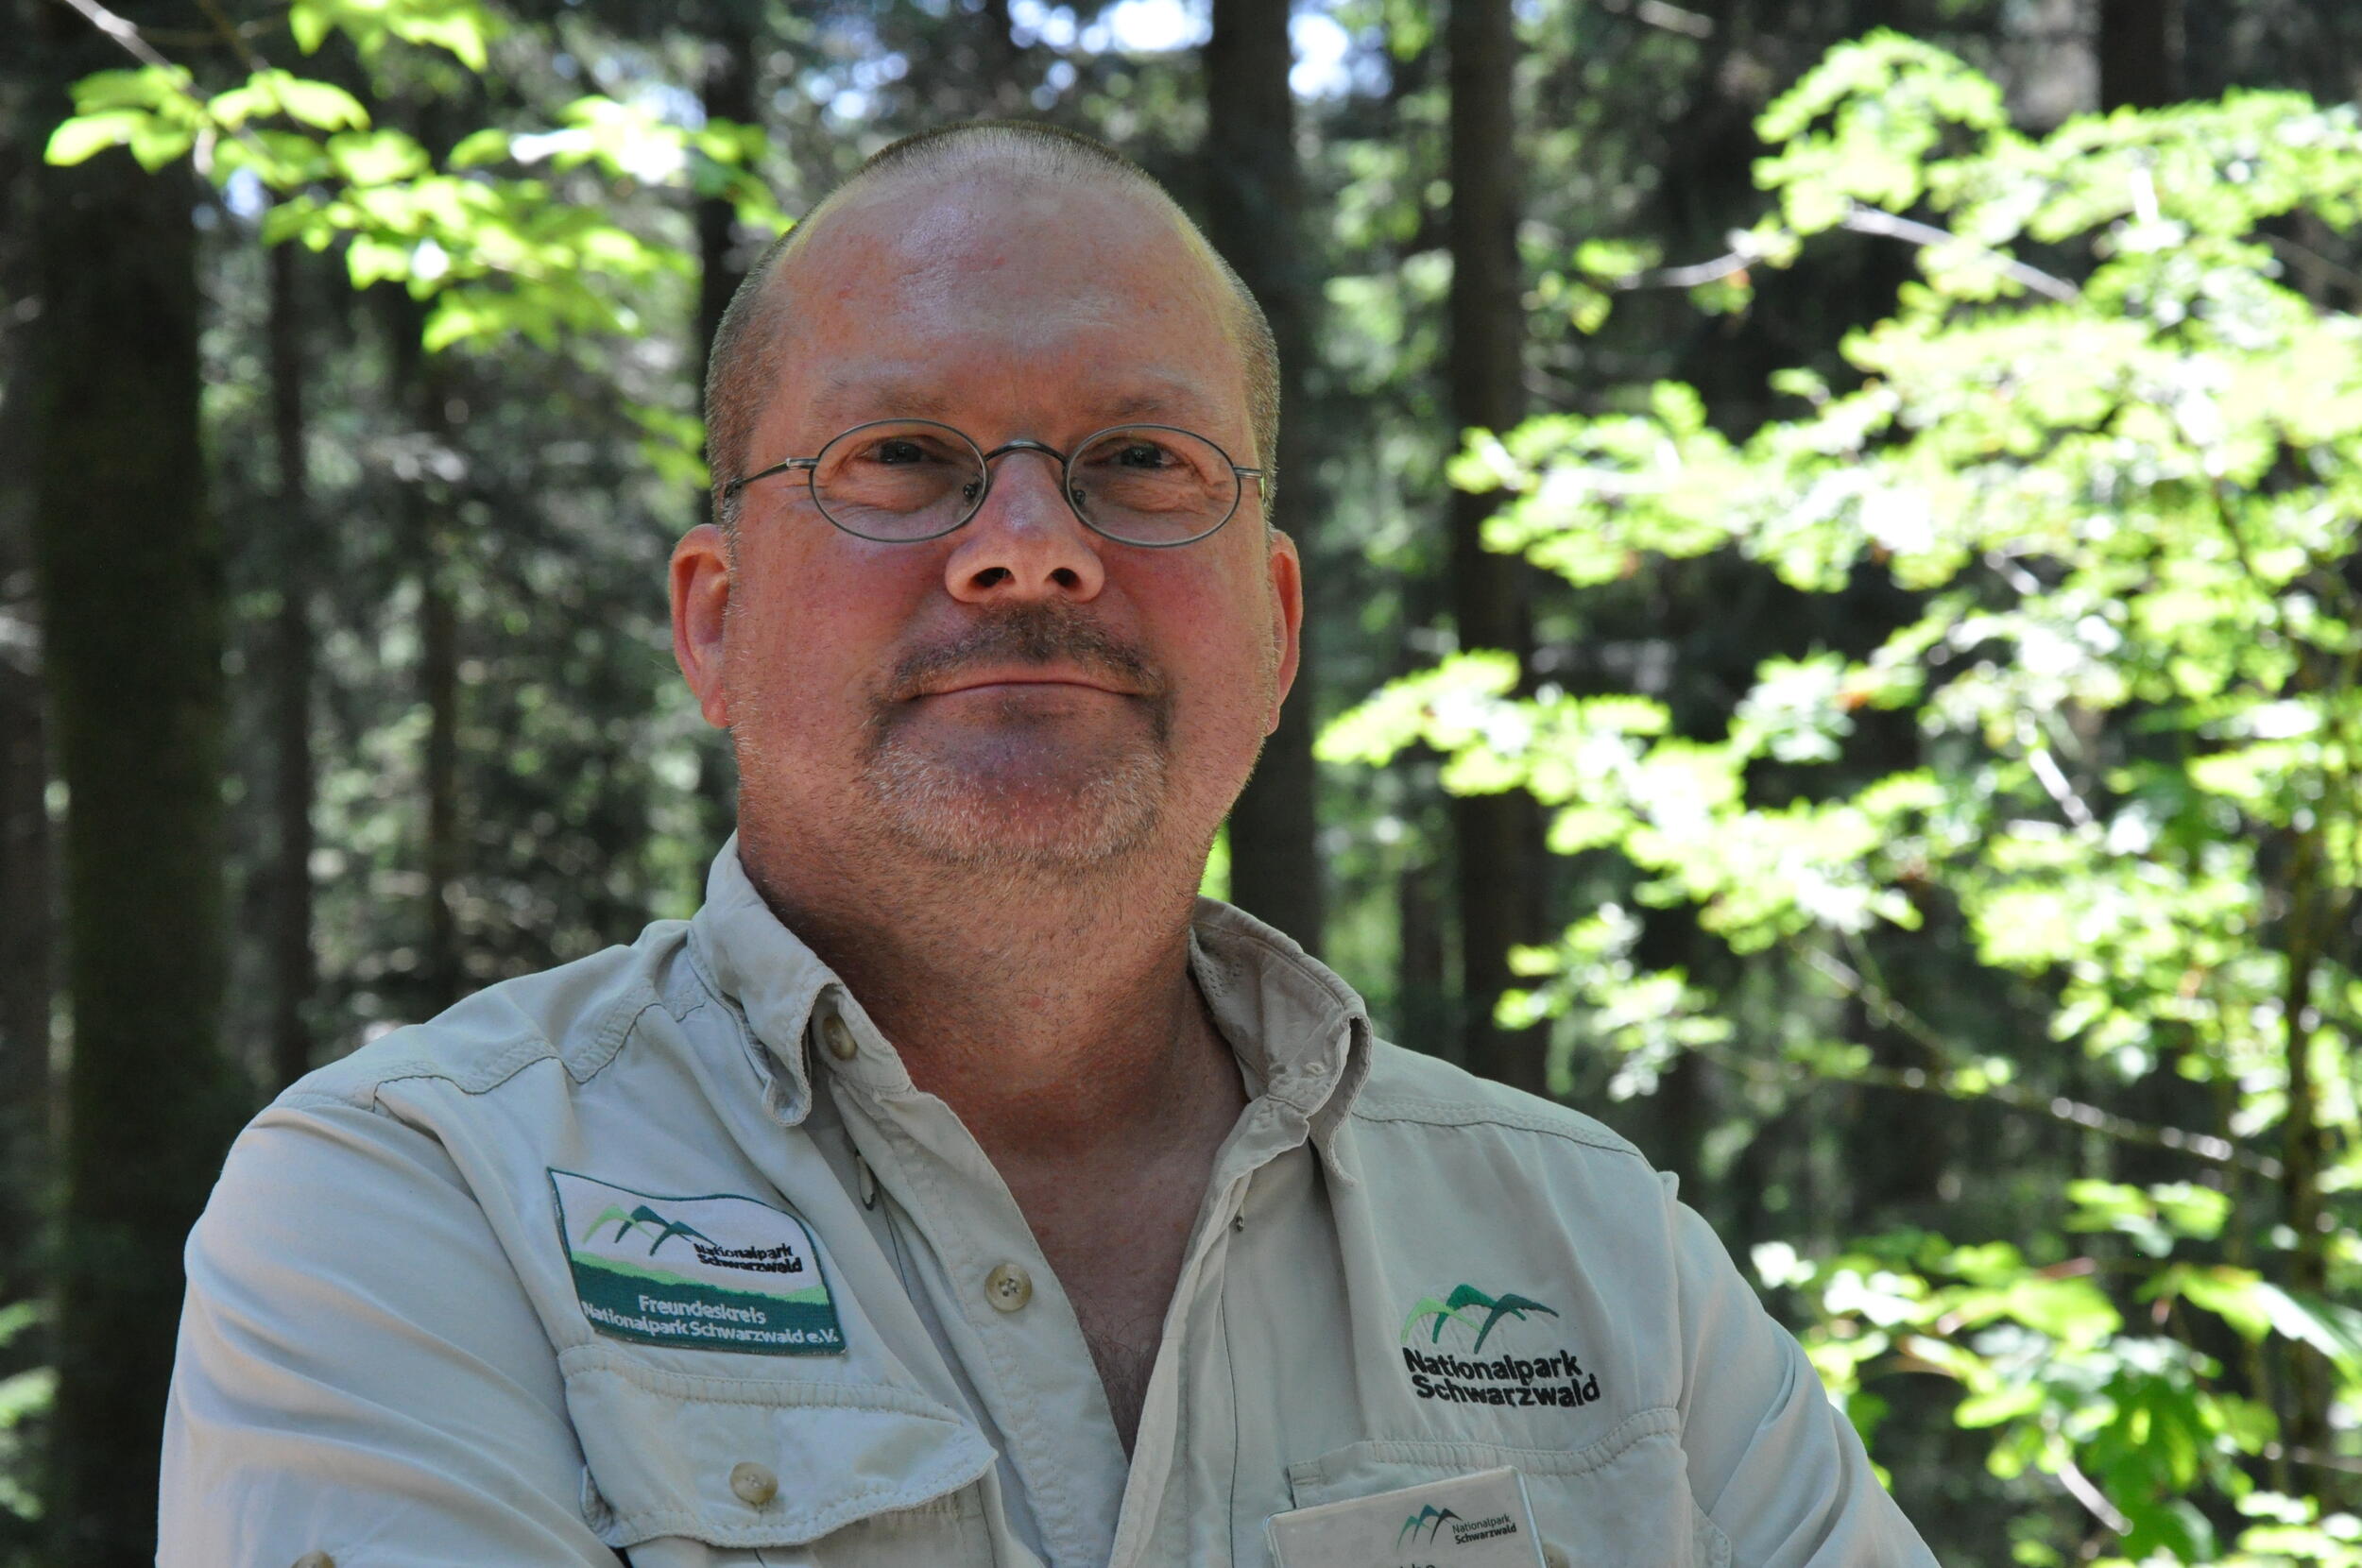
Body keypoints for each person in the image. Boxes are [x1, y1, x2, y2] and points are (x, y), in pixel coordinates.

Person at [160, 122, 1937, 1568]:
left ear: (1278, 622)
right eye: (906, 455)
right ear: (712, 622)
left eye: (1144, 460)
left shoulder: (1597, 1257)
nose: (1029, 547)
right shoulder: (414, 1205)